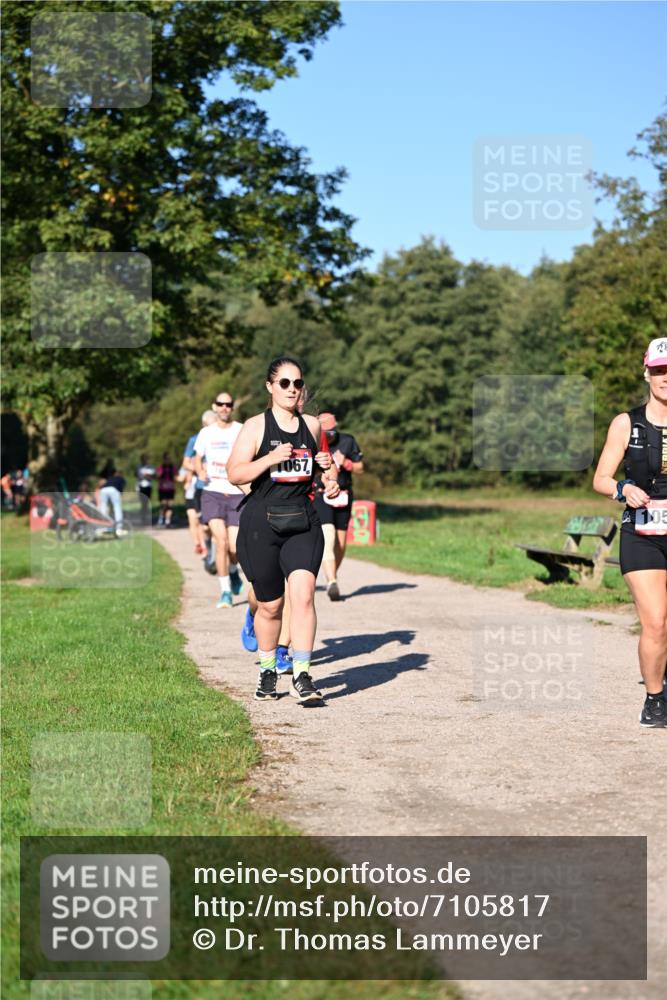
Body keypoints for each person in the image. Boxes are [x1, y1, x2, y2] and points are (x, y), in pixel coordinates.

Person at [227, 356, 339, 703]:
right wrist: (270, 459)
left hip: (303, 520)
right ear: (270, 387)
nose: (293, 389)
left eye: (298, 383)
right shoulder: (255, 426)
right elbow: (235, 474)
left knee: (303, 595)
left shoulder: (313, 427)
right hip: (261, 522)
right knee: (271, 606)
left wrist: (329, 476)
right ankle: (266, 669)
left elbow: (326, 469)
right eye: (285, 383)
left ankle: (303, 675)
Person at [592, 336, 667, 728]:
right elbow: (601, 479)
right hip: (642, 533)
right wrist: (622, 489)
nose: (664, 377)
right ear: (646, 372)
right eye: (658, 370)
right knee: (655, 621)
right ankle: (655, 699)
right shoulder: (626, 423)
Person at [194, 391, 245, 608]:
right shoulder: (206, 433)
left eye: (228, 404)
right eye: (220, 404)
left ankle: (234, 570)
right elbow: (197, 460)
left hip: (236, 492)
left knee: (235, 547)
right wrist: (200, 472)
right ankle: (225, 592)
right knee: (221, 542)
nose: (224, 408)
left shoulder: (241, 430)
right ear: (214, 406)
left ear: (232, 407)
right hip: (212, 492)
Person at [313, 412, 364, 600]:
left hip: (344, 494)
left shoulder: (348, 441)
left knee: (341, 544)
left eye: (331, 432)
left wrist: (347, 463)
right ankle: (332, 581)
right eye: (325, 433)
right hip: (321, 494)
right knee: (328, 536)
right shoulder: (313, 441)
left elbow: (361, 468)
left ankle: (331, 575)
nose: (328, 436)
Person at [183, 410, 217, 556]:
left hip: (221, 487)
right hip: (201, 487)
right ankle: (208, 547)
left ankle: (217, 553)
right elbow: (185, 463)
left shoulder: (223, 437)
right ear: (204, 425)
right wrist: (199, 469)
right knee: (204, 526)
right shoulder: (195, 439)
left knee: (218, 524)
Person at [96, 464, 126, 533]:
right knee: (117, 507)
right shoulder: (121, 478)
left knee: (103, 508)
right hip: (113, 490)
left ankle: (102, 527)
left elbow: (102, 485)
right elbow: (120, 489)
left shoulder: (109, 478)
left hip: (103, 490)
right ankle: (119, 528)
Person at [156, 453, 176, 527]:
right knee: (163, 505)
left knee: (170, 505)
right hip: (162, 489)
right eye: (166, 459)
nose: (167, 460)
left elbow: (175, 476)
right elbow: (157, 477)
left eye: (168, 459)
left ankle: (168, 521)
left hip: (170, 488)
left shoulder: (172, 467)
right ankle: (161, 519)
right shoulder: (161, 467)